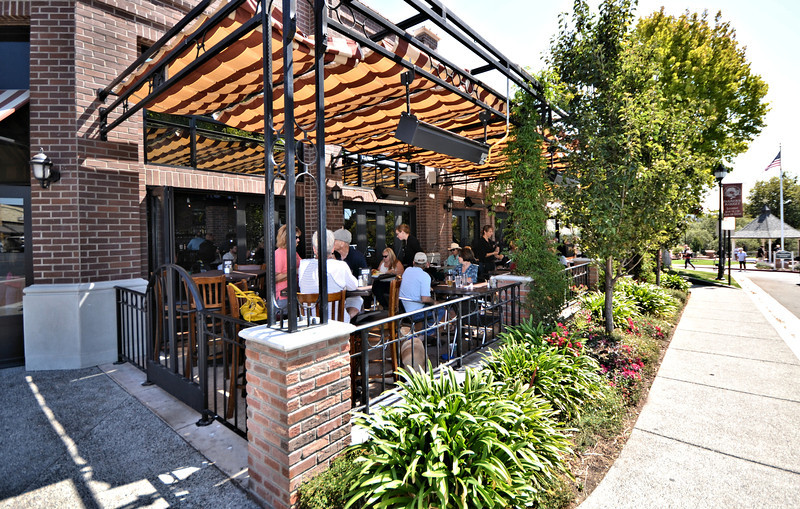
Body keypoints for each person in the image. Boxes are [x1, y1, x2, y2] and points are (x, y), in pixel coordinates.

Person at [299, 229, 361, 321]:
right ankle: (348, 322)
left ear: (314, 249)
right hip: (335, 323)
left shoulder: (303, 265)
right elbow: (354, 286)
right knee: (357, 299)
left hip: (309, 322)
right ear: (332, 249)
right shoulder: (340, 265)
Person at [274, 225, 301, 314]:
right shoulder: (279, 254)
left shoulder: (293, 252)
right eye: (296, 237)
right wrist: (294, 271)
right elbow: (274, 278)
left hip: (293, 294)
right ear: (287, 238)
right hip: (283, 298)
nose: (298, 240)